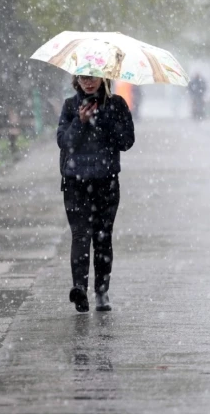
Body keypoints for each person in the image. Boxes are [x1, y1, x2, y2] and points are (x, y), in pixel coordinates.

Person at [56, 75, 135, 312]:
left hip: (106, 182)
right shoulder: (70, 106)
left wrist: (104, 119)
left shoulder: (117, 104)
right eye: (83, 77)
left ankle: (102, 292)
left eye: (93, 77)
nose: (88, 82)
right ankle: (79, 288)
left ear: (104, 78)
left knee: (102, 237)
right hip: (75, 183)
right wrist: (80, 122)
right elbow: (64, 142)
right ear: (76, 79)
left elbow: (126, 141)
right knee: (80, 235)